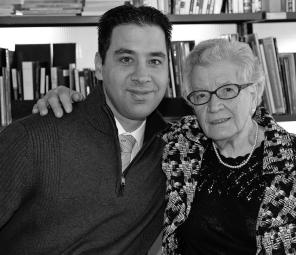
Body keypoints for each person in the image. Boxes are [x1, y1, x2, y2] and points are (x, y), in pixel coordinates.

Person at [36, 39, 296, 254]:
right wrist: (68, 101)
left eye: (227, 91)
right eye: (201, 95)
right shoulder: (180, 143)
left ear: (256, 91)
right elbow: (117, 120)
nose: (214, 107)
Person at [0, 5, 172, 254]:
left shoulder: (177, 152)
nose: (142, 75)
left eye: (155, 60)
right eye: (126, 59)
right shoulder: (32, 139)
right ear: (100, 66)